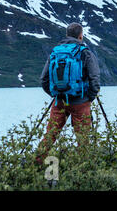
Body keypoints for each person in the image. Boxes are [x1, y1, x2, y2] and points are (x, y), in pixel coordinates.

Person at [36, 23, 100, 164]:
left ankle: (37, 164)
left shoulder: (55, 52)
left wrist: (55, 94)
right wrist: (89, 97)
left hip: (59, 101)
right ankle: (83, 169)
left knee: (51, 134)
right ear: (80, 35)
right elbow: (95, 78)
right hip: (81, 102)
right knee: (83, 138)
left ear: (67, 35)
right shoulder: (85, 52)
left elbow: (43, 79)